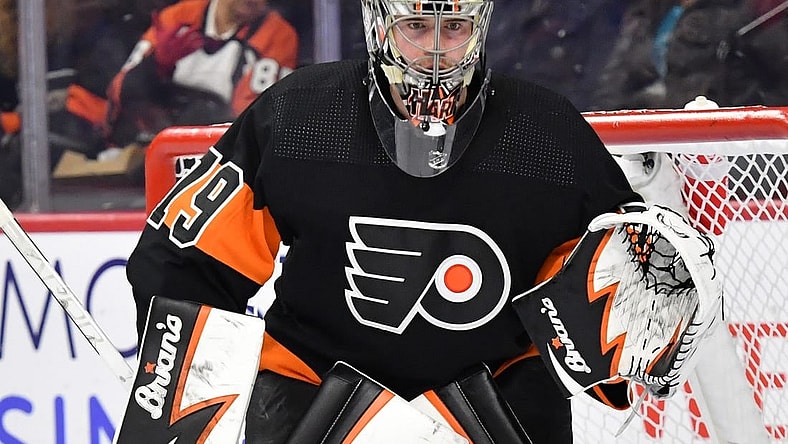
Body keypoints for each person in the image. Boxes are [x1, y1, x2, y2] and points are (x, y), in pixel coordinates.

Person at [126, 1, 643, 442]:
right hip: (314, 398)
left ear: (480, 27)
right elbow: (184, 260)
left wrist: (640, 301)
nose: (437, 49)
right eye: (416, 26)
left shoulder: (548, 133)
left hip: (494, 405)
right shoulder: (300, 116)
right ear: (378, 23)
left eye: (455, 26)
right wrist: (185, 398)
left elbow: (608, 283)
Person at [105, 0, 299, 148]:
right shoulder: (176, 18)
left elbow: (253, 121)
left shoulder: (278, 35)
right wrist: (154, 66)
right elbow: (118, 93)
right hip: (152, 150)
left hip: (218, 157)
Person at [593, 0, 788, 110]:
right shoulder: (649, 10)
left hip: (715, 141)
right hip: (644, 137)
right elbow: (616, 79)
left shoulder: (747, 15)